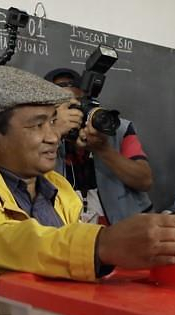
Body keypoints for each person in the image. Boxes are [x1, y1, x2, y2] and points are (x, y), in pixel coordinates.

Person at [0, 66, 175, 315]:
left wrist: (164, 231)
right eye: (37, 125)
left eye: (53, 121)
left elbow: (68, 267)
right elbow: (1, 240)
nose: (53, 136)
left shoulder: (61, 190)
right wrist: (101, 244)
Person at [44, 68, 153, 225]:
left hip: (124, 228)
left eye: (77, 104)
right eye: (64, 107)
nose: (74, 113)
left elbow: (145, 181)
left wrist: (103, 149)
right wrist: (53, 131)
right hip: (67, 232)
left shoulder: (117, 129)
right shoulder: (39, 132)